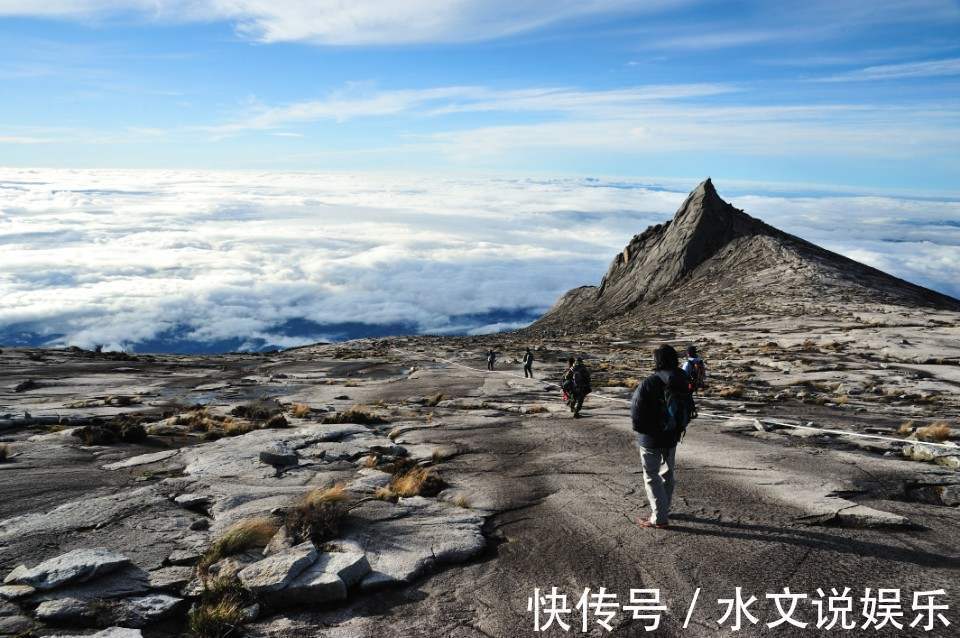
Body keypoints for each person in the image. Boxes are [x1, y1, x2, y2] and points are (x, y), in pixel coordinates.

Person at [630, 345, 695, 529]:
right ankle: (662, 509)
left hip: (650, 439)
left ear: (657, 360)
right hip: (673, 435)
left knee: (651, 476)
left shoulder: (650, 382)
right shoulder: (681, 378)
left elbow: (636, 413)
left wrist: (643, 431)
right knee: (667, 473)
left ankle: (659, 518)